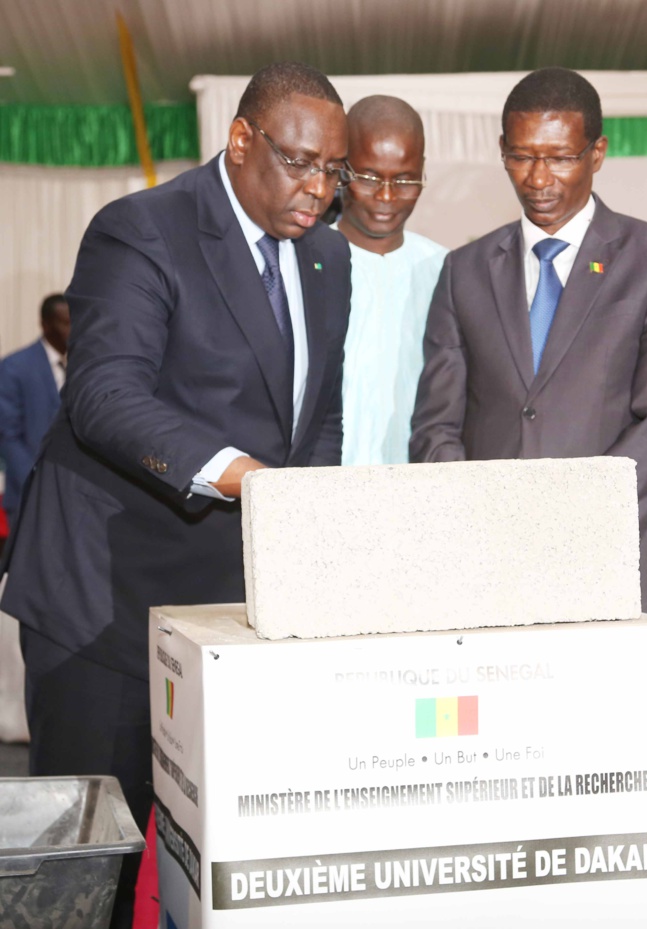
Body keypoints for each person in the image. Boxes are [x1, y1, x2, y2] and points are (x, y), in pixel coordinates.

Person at [0, 62, 352, 929]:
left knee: (216, 864)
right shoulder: (142, 230)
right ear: (240, 141)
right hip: (103, 605)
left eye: (333, 170)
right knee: (87, 879)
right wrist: (251, 480)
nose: (320, 189)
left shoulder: (326, 254)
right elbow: (105, 395)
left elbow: (319, 415)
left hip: (229, 616)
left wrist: (310, 519)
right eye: (301, 162)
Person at [410, 67, 647, 620]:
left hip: (612, 556)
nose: (539, 178)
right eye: (522, 156)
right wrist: (471, 516)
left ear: (597, 153)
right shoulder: (463, 271)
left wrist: (573, 522)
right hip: (486, 566)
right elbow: (436, 425)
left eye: (561, 158)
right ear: (501, 151)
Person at [333, 95, 447, 464]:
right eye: (368, 178)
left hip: (424, 486)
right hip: (318, 485)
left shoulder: (446, 270)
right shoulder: (305, 262)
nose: (386, 196)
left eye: (404, 180)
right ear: (340, 167)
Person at [0, 293, 70, 533]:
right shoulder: (15, 367)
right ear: (46, 325)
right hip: (27, 496)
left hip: (72, 498)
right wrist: (37, 481)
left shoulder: (81, 367)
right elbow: (7, 436)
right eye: (66, 323)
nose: (73, 331)